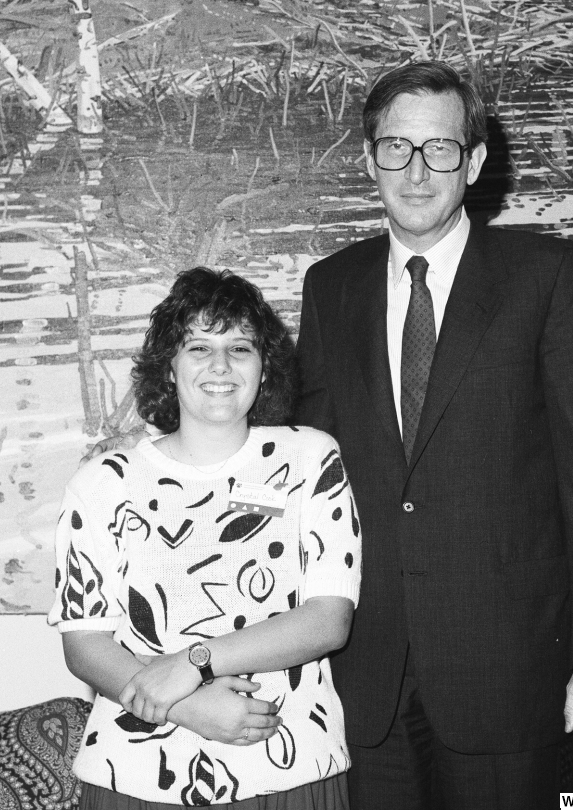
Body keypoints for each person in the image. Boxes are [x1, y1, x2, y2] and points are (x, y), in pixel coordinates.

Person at [294, 61, 573, 809]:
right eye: (396, 147)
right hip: (366, 674)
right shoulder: (331, 286)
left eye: (440, 149)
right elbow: (304, 480)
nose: (416, 172)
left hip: (506, 673)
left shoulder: (546, 276)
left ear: (474, 161)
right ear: (369, 157)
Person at [52, 267, 361, 809]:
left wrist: (193, 662)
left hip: (287, 769)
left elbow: (328, 619)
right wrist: (185, 706)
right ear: (168, 367)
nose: (220, 365)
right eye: (198, 347)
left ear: (264, 368)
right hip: (137, 776)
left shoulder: (310, 458)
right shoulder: (102, 483)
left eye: (240, 348)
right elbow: (84, 642)